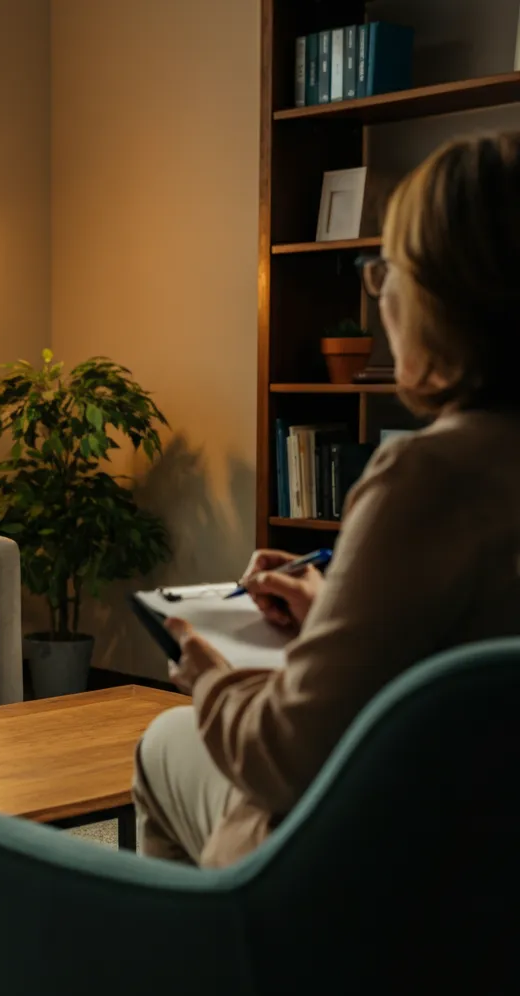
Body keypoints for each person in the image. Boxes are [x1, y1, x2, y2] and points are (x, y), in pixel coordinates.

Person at [132, 132, 520, 868]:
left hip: (376, 880)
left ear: (439, 296)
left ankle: (204, 962)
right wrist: (334, 603)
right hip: (488, 873)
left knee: (163, 743)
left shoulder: (426, 479)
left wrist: (210, 676)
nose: (379, 295)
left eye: (385, 271)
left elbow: (285, 756)